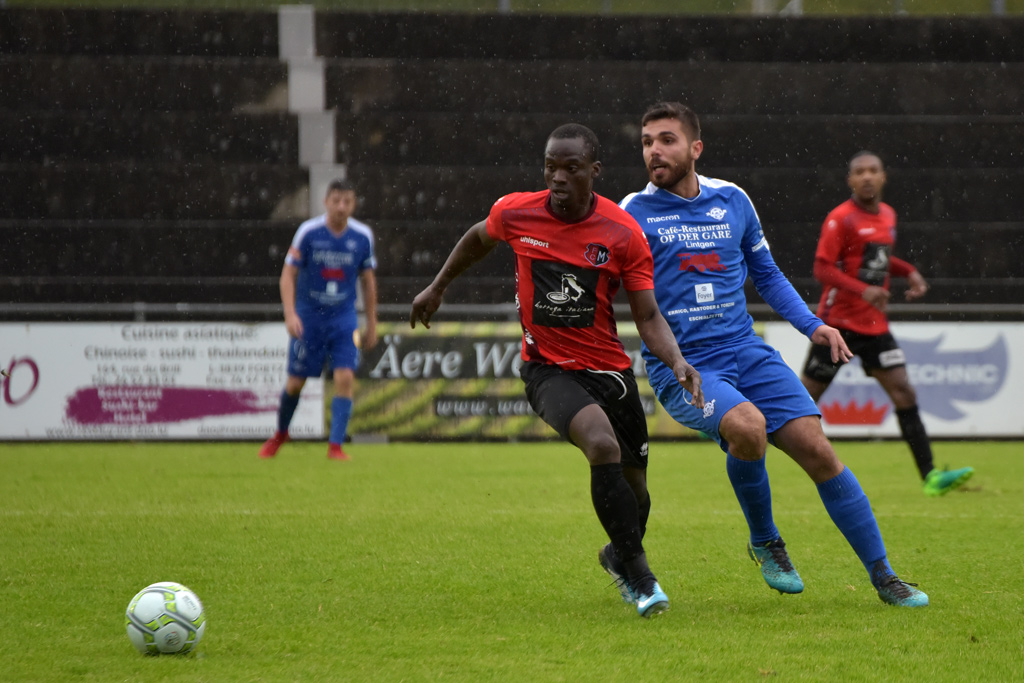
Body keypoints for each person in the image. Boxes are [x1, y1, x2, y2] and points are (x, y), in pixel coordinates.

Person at [619, 102, 928, 607]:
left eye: (667, 139)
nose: (655, 149)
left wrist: (815, 326)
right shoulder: (633, 211)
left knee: (818, 450)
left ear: (695, 148)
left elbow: (767, 274)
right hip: (684, 365)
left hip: (744, 349)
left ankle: (885, 576)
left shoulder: (733, 200)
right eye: (648, 141)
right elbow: (614, 286)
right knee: (746, 428)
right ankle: (765, 541)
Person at [410, 123, 704, 618]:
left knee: (637, 495)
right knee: (601, 444)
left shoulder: (623, 233)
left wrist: (677, 361)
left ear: (594, 171)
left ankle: (618, 555)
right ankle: (644, 580)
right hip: (547, 370)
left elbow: (648, 315)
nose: (559, 177)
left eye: (571, 168)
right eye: (551, 167)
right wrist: (437, 287)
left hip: (609, 372)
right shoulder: (516, 212)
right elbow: (478, 238)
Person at [800, 151, 974, 496]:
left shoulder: (888, 216)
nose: (867, 177)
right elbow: (823, 268)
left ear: (883, 177)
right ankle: (746, 440)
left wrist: (907, 271)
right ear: (850, 180)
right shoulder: (841, 218)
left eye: (873, 171)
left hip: (875, 327)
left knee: (904, 392)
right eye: (860, 172)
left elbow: (875, 258)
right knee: (801, 401)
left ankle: (930, 476)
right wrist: (864, 290)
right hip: (839, 326)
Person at [259, 178, 378, 461]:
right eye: (336, 200)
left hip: (344, 318)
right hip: (310, 318)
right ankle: (281, 433)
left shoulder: (362, 236)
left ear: (354, 204)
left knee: (345, 376)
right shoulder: (308, 232)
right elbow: (288, 274)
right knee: (295, 382)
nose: (341, 206)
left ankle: (335, 445)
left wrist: (372, 322)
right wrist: (290, 313)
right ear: (326, 202)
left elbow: (368, 281)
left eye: (347, 201)